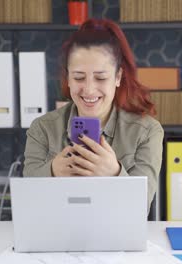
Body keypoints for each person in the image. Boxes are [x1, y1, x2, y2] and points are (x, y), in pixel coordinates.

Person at [23, 18, 164, 210]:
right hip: (56, 234)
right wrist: (53, 171)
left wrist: (114, 173)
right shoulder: (42, 128)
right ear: (68, 79)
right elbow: (27, 201)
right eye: (79, 77)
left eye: (101, 78)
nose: (89, 90)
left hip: (117, 236)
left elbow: (140, 207)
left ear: (117, 77)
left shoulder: (147, 132)